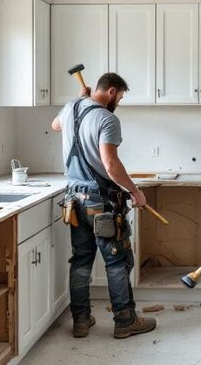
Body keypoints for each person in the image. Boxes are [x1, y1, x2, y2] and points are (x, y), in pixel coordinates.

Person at [51, 72, 156, 339]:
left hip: (74, 200)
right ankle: (125, 321)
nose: (118, 102)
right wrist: (134, 191)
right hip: (102, 202)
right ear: (110, 92)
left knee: (81, 260)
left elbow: (55, 125)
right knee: (117, 261)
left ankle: (81, 321)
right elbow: (110, 164)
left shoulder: (71, 108)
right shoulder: (108, 119)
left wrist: (79, 101)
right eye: (119, 97)